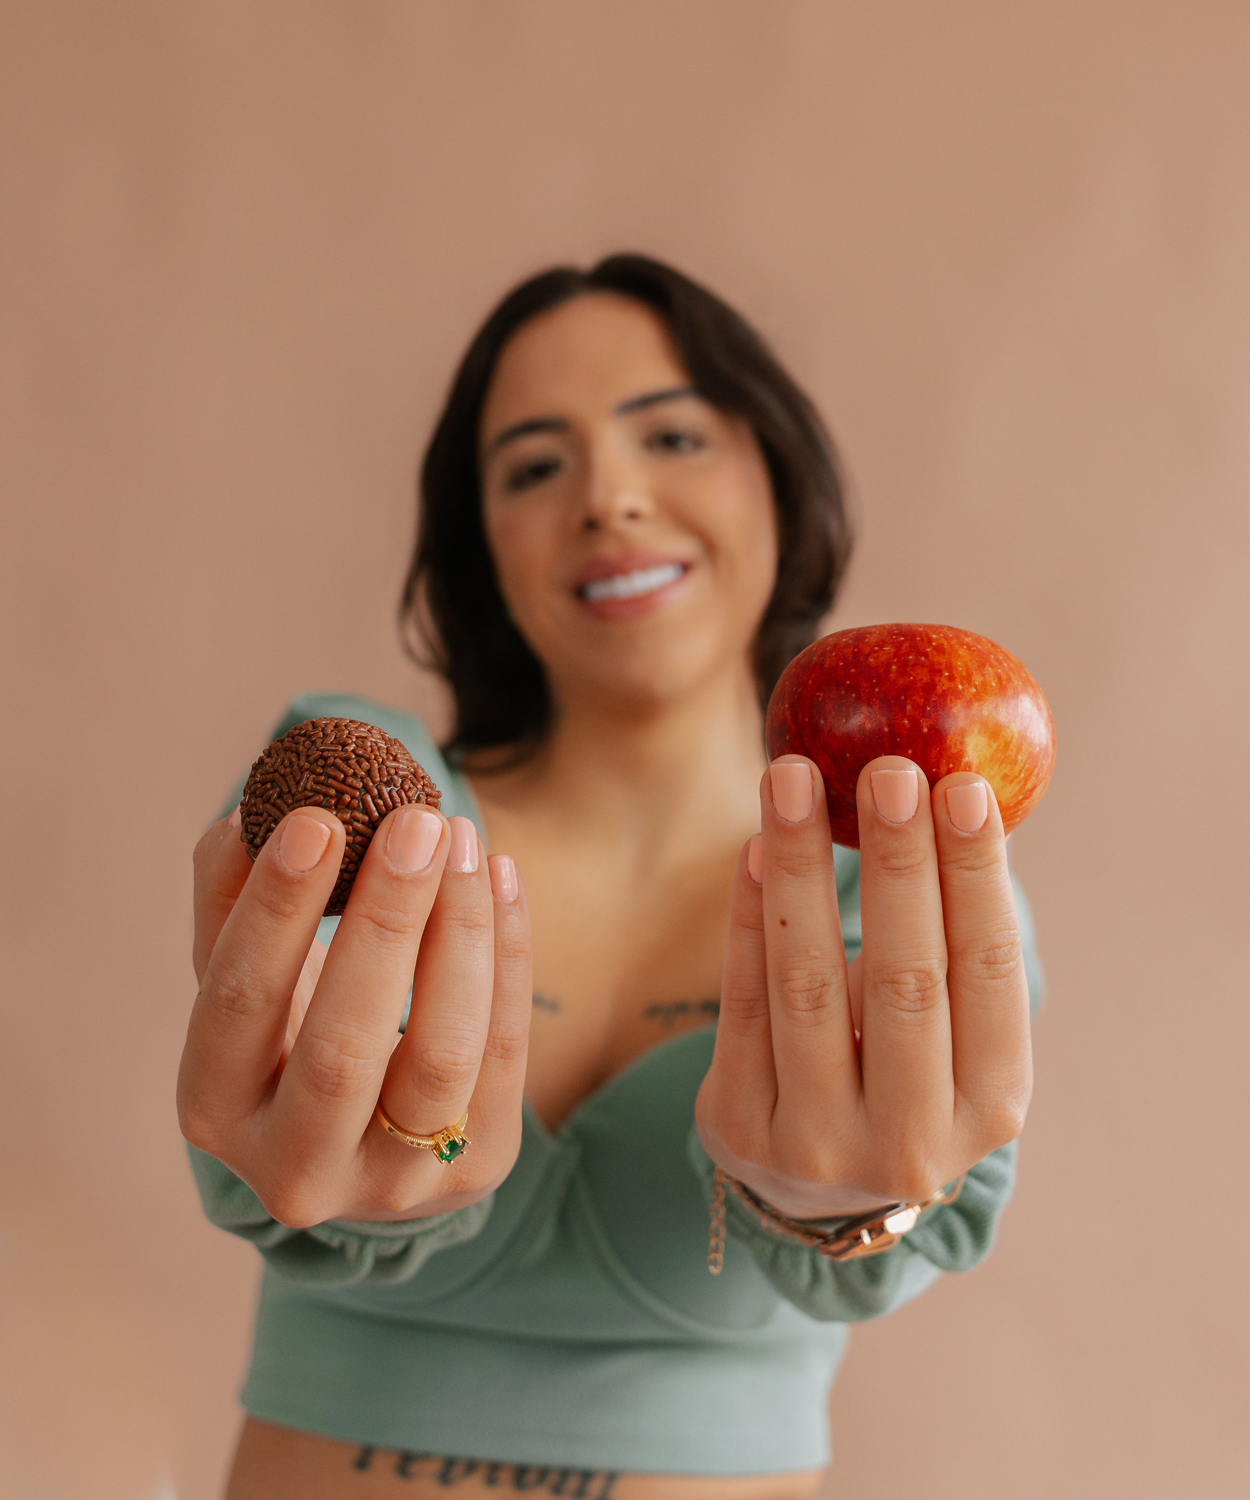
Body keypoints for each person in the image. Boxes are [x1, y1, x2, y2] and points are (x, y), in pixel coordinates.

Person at [181, 255, 1040, 1500]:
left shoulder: (906, 904)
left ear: (777, 479)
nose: (608, 496)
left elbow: (923, 1212)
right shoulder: (374, 812)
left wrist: (846, 1211)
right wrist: (332, 1162)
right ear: (483, 547)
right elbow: (261, 1121)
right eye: (534, 467)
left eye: (672, 437)